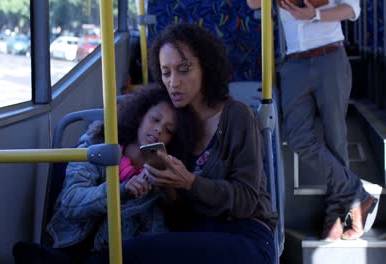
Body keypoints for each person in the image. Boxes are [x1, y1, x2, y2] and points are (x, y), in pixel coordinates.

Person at [116, 23, 277, 264]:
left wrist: (190, 182)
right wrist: (167, 188)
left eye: (183, 70)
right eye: (166, 72)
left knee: (127, 254)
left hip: (245, 233)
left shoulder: (236, 116)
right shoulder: (173, 125)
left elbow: (245, 201)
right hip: (194, 233)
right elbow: (178, 216)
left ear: (206, 68)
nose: (173, 83)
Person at [246, 0, 378, 240]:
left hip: (330, 55)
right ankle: (357, 192)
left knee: (335, 138)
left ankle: (337, 213)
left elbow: (352, 10)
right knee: (296, 136)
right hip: (294, 61)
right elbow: (253, 3)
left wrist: (314, 14)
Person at [44, 83, 197, 263]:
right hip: (70, 243)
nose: (158, 129)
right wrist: (121, 191)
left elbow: (153, 239)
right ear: (140, 115)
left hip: (113, 254)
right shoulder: (97, 143)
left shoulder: (160, 176)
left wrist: (168, 194)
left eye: (168, 130)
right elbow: (70, 203)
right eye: (155, 119)